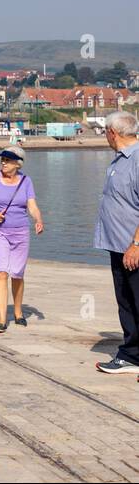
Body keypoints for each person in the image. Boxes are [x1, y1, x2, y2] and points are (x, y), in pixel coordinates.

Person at [0, 145, 44, 333]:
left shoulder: (26, 181)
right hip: (0, 232)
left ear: (18, 164)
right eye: (2, 160)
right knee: (1, 273)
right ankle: (1, 319)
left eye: (7, 160)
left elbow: (32, 205)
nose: (3, 163)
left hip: (21, 232)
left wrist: (38, 219)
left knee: (17, 275)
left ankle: (18, 312)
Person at [93, 111, 139, 375]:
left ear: (112, 132)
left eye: (105, 132)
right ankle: (131, 355)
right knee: (126, 302)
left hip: (133, 246)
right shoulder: (118, 161)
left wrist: (136, 244)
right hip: (117, 245)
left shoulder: (136, 160)